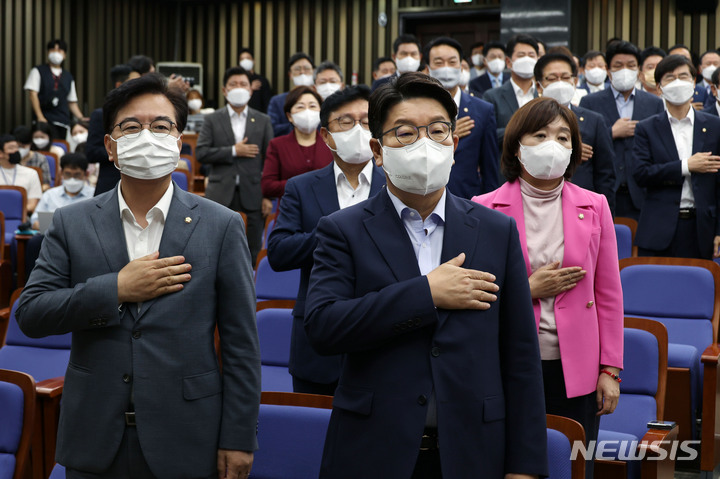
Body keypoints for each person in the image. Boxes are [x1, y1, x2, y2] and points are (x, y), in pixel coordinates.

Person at [15, 73, 261, 479]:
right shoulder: (71, 222)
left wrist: (238, 437)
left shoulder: (220, 224)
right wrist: (116, 288)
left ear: (178, 141)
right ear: (111, 147)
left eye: (161, 126)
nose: (147, 135)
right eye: (131, 126)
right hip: (94, 435)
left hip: (187, 435)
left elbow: (241, 343)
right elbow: (32, 312)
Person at [304, 72, 547, 479]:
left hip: (473, 451)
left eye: (437, 131)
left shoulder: (495, 229)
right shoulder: (341, 229)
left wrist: (525, 465)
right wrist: (425, 293)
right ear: (377, 151)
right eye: (404, 133)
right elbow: (324, 327)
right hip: (372, 449)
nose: (424, 144)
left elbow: (520, 356)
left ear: (454, 143)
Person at [474, 97, 623, 479]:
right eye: (540, 135)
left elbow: (607, 293)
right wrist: (528, 289)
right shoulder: (482, 208)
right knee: (509, 464)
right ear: (517, 144)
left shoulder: (595, 205)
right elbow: (475, 296)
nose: (552, 144)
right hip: (508, 359)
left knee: (571, 464)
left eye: (562, 136)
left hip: (576, 365)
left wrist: (610, 369)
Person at [267, 85, 386, 396]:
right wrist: (337, 230)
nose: (358, 130)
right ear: (326, 136)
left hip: (384, 338)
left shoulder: (397, 186)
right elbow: (279, 253)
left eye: (366, 121)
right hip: (318, 343)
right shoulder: (301, 187)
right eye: (346, 122)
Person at [633, 54, 720, 259]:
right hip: (658, 228)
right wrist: (685, 166)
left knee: (699, 288)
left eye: (683, 76)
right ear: (659, 88)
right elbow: (641, 173)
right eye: (670, 78)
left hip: (702, 228)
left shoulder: (715, 126)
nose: (678, 82)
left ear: (694, 82)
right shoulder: (647, 128)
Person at [197, 66, 274, 265]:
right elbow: (201, 153)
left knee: (252, 250)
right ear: (224, 90)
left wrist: (267, 196)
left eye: (243, 84)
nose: (238, 88)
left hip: (253, 193)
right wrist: (233, 151)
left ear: (250, 90)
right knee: (215, 249)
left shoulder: (263, 120)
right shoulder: (212, 119)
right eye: (233, 84)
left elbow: (270, 160)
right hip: (220, 194)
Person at [579, 40, 665, 220]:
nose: (625, 70)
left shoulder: (654, 103)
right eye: (618, 66)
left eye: (631, 65)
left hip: (641, 194)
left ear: (639, 71)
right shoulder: (590, 102)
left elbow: (659, 147)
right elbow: (585, 149)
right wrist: (610, 133)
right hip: (605, 192)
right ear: (608, 71)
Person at [534, 52, 616, 213]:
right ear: (539, 85)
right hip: (537, 205)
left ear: (575, 81)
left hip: (583, 208)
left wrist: (605, 216)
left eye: (565, 77)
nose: (559, 83)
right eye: (551, 78)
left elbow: (606, 175)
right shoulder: (528, 120)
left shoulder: (594, 120)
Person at [424, 37, 499, 198]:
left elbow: (490, 170)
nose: (446, 68)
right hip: (424, 199)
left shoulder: (482, 110)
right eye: (438, 62)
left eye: (452, 62)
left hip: (468, 201)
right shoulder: (415, 109)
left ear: (461, 66)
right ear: (428, 68)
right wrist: (445, 134)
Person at [261, 86, 332, 200]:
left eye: (312, 106)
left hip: (326, 210)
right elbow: (267, 186)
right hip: (289, 210)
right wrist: (304, 183)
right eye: (300, 107)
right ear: (289, 116)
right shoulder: (277, 145)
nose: (307, 111)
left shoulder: (331, 144)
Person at [24, 39, 87, 140]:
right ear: (48, 52)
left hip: (63, 122)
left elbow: (72, 102)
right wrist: (40, 117)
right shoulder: (38, 71)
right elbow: (33, 95)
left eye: (59, 50)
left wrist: (81, 118)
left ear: (65, 55)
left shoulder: (68, 76)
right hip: (44, 122)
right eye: (52, 49)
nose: (56, 53)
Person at [483, 34, 540, 146]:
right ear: (508, 62)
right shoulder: (492, 97)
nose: (527, 59)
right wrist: (524, 130)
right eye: (521, 55)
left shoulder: (544, 95)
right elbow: (488, 134)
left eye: (531, 55)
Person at [90, 64, 133, 196]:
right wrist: (121, 150)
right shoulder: (100, 115)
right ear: (119, 85)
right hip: (109, 184)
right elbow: (91, 152)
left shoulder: (147, 118)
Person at [30, 152, 95, 228]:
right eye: (68, 174)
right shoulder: (50, 195)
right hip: (53, 237)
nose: (72, 179)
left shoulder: (95, 195)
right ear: (61, 173)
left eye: (77, 174)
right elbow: (35, 221)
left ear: (86, 174)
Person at [267, 53, 315, 137]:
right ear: (290, 74)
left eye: (306, 68)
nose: (302, 72)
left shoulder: (320, 99)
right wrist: (298, 124)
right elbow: (271, 128)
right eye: (297, 69)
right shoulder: (277, 101)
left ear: (313, 72)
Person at [0, 134, 43, 215]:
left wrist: (12, 212)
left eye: (17, 147)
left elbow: (32, 205)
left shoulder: (31, 173)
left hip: (22, 218)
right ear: (1, 153)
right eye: (11, 148)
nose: (16, 151)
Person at [12, 125, 52, 191]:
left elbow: (46, 184)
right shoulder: (8, 159)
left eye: (23, 146)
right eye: (18, 146)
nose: (20, 149)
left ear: (30, 143)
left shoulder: (40, 159)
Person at [239, 47, 274, 113]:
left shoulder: (261, 81)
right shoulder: (237, 82)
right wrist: (250, 89)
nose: (245, 61)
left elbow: (267, 104)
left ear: (253, 61)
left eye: (248, 58)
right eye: (242, 59)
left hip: (259, 117)